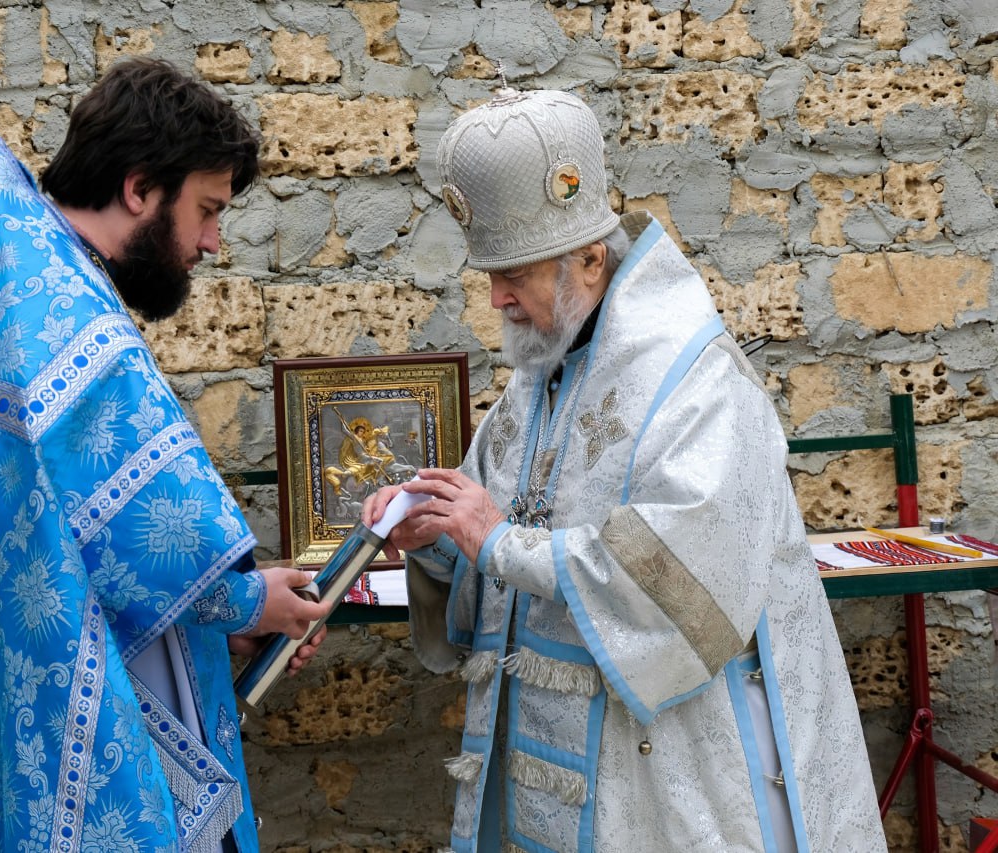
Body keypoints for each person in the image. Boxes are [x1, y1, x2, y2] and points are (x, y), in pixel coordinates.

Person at [363, 85, 887, 851]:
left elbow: (678, 586)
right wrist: (435, 535)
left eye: (518, 271)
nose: (498, 296)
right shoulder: (539, 375)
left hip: (676, 781)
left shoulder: (695, 381)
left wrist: (497, 540)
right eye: (489, 272)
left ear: (589, 256)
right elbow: (492, 533)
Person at [0, 58, 329, 853]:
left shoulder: (25, 280)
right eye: (207, 210)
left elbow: (83, 547)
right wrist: (249, 605)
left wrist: (231, 619)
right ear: (140, 189)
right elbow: (155, 528)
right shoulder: (70, 318)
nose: (212, 242)